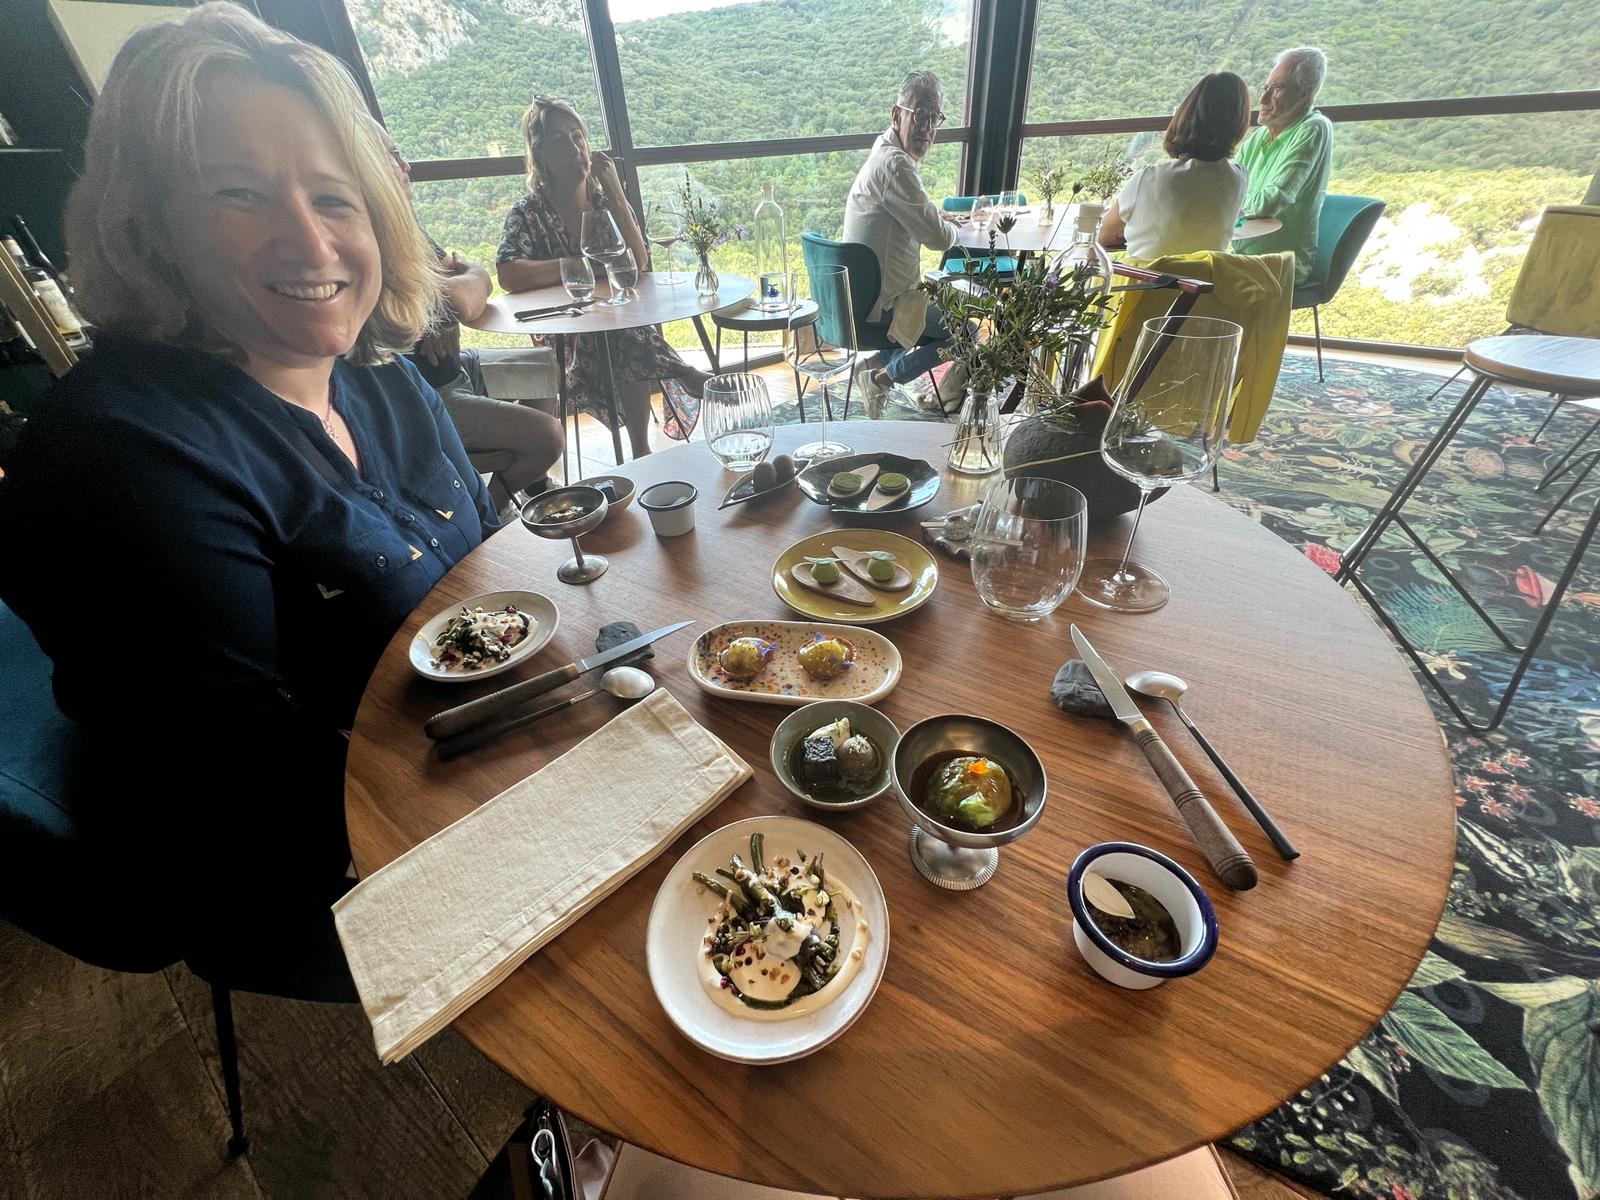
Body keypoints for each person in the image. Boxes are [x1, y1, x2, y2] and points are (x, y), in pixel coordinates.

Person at [0, 3, 500, 990]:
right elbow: (255, 796)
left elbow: (492, 567)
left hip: (462, 749)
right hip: (310, 869)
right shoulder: (122, 461)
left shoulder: (379, 374)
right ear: (150, 228)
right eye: (241, 195)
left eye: (333, 196)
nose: (310, 242)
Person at [496, 96, 708, 459]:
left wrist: (616, 192)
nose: (575, 148)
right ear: (540, 153)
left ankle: (642, 446)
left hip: (612, 318)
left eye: (578, 136)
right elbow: (509, 273)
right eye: (560, 140)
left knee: (620, 326)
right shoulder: (529, 212)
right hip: (561, 326)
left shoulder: (602, 203)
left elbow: (638, 262)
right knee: (621, 331)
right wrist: (578, 267)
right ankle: (679, 377)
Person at [376, 122, 562, 516]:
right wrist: (459, 289)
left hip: (453, 366)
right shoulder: (374, 239)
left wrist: (459, 289)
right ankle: (487, 515)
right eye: (394, 157)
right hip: (424, 393)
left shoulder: (405, 228)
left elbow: (471, 287)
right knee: (548, 437)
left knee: (545, 368)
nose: (406, 166)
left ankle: (532, 485)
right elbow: (463, 299)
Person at [842, 69, 964, 407]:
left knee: (940, 308)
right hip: (881, 304)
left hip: (861, 296)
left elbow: (910, 213)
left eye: (934, 118)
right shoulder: (896, 164)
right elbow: (940, 240)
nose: (927, 127)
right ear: (897, 115)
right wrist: (959, 229)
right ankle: (881, 378)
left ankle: (874, 366)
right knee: (964, 331)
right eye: (919, 114)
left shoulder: (883, 151)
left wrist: (937, 217)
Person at [1098, 73, 1250, 260]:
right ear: (1239, 124)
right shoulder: (1239, 179)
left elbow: (1104, 236)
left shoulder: (1149, 177)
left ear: (1185, 116)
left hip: (1144, 279)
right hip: (1205, 278)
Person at [1233, 47, 1334, 284]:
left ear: (1304, 93)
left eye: (1276, 88)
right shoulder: (1259, 137)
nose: (1263, 99)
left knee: (1188, 280)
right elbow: (1226, 191)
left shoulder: (1313, 128)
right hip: (1239, 258)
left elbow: (1272, 201)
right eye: (1265, 88)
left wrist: (1228, 209)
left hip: (1279, 265)